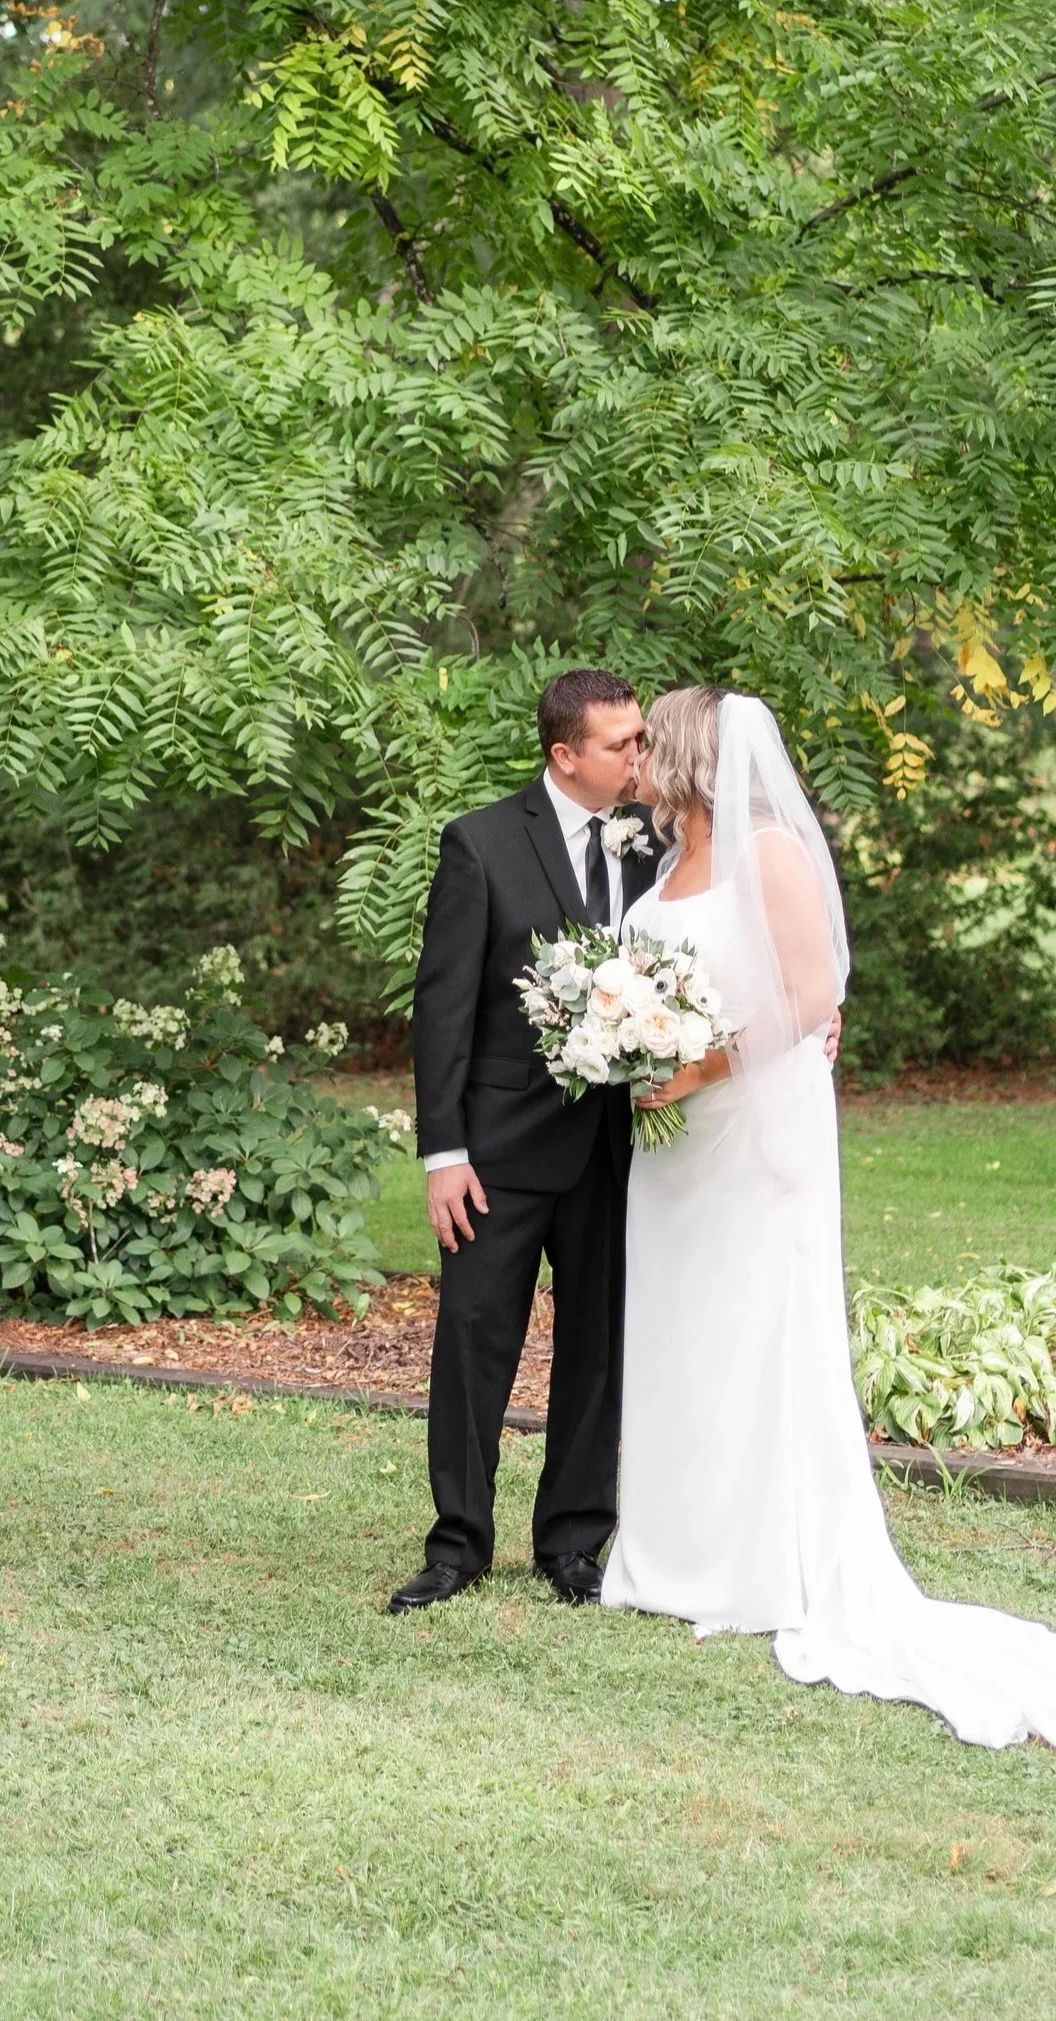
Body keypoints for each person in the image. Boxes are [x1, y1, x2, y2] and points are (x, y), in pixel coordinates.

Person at [601, 685, 1056, 1772]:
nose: (640, 754)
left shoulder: (771, 851)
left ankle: (759, 1564)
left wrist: (694, 1063)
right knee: (682, 1333)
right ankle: (671, 1552)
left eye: (653, 738)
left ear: (698, 754)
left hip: (751, 1133)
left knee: (755, 1330)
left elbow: (812, 991)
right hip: (672, 1150)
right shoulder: (657, 867)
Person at [388, 667, 665, 1613]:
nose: (640, 755)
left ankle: (575, 1543)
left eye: (640, 739)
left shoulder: (653, 844)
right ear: (565, 754)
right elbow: (443, 1011)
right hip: (497, 1153)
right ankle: (457, 1545)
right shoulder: (480, 845)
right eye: (622, 742)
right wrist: (443, 1154)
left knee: (597, 1350)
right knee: (473, 1344)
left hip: (614, 1153)